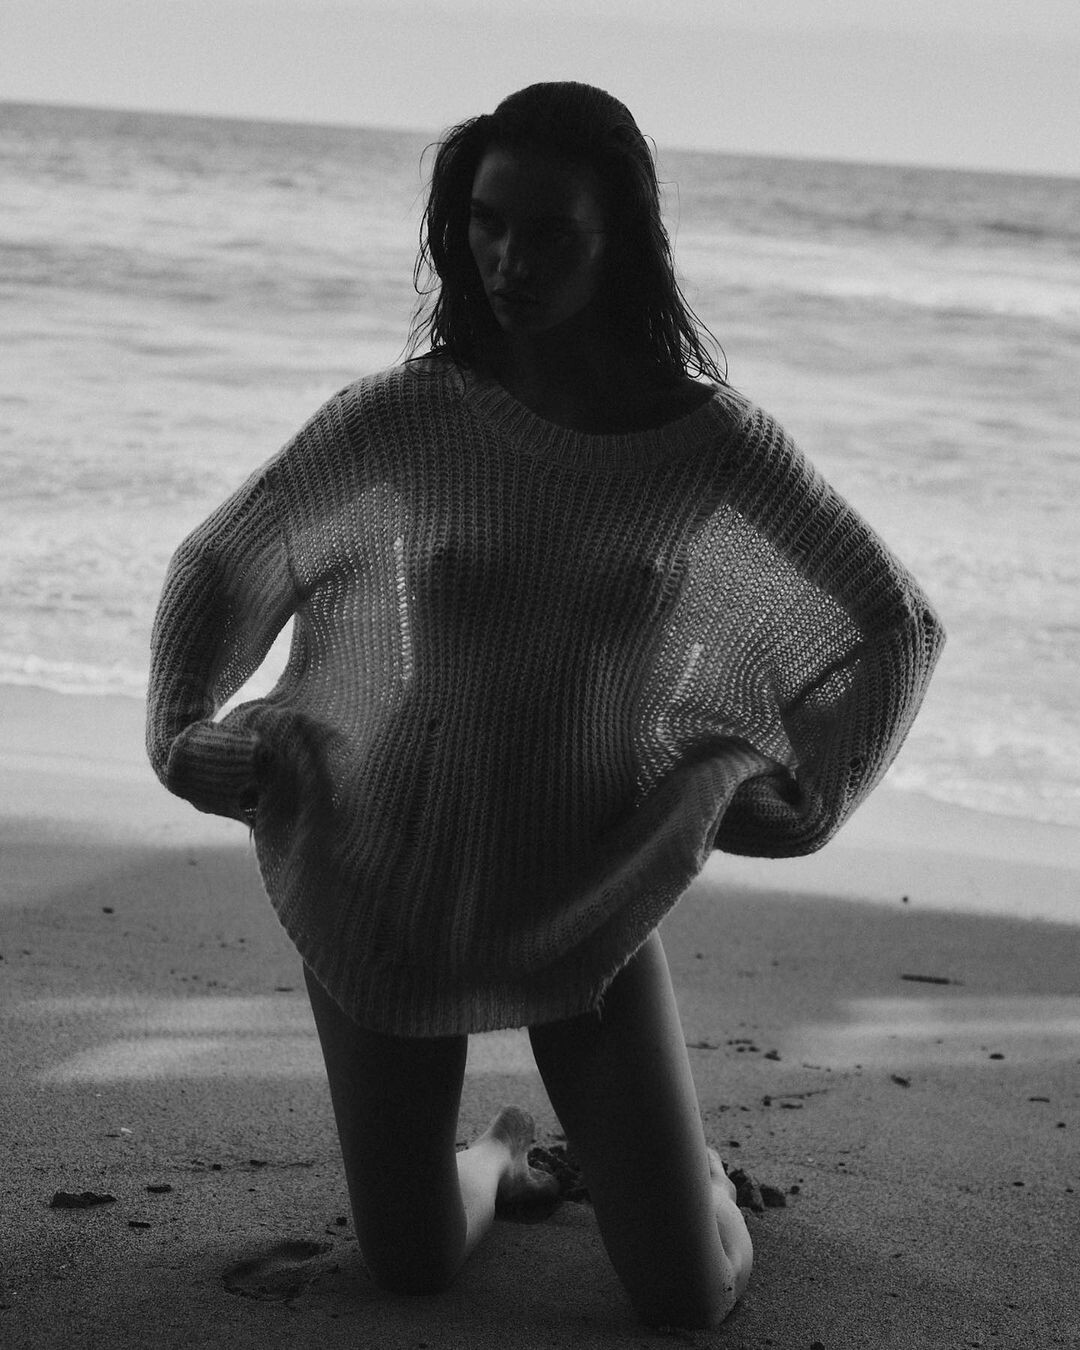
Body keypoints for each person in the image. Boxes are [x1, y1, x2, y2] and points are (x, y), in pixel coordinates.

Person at [146, 81, 944, 1328]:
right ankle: (502, 1157)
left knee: (685, 1299)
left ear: (619, 240)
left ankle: (700, 1181)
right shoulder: (407, 415)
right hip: (385, 865)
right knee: (411, 1264)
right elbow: (229, 560)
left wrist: (809, 801)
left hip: (591, 879)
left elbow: (889, 622)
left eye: (549, 232)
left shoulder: (711, 445)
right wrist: (180, 730)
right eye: (486, 222)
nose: (509, 261)